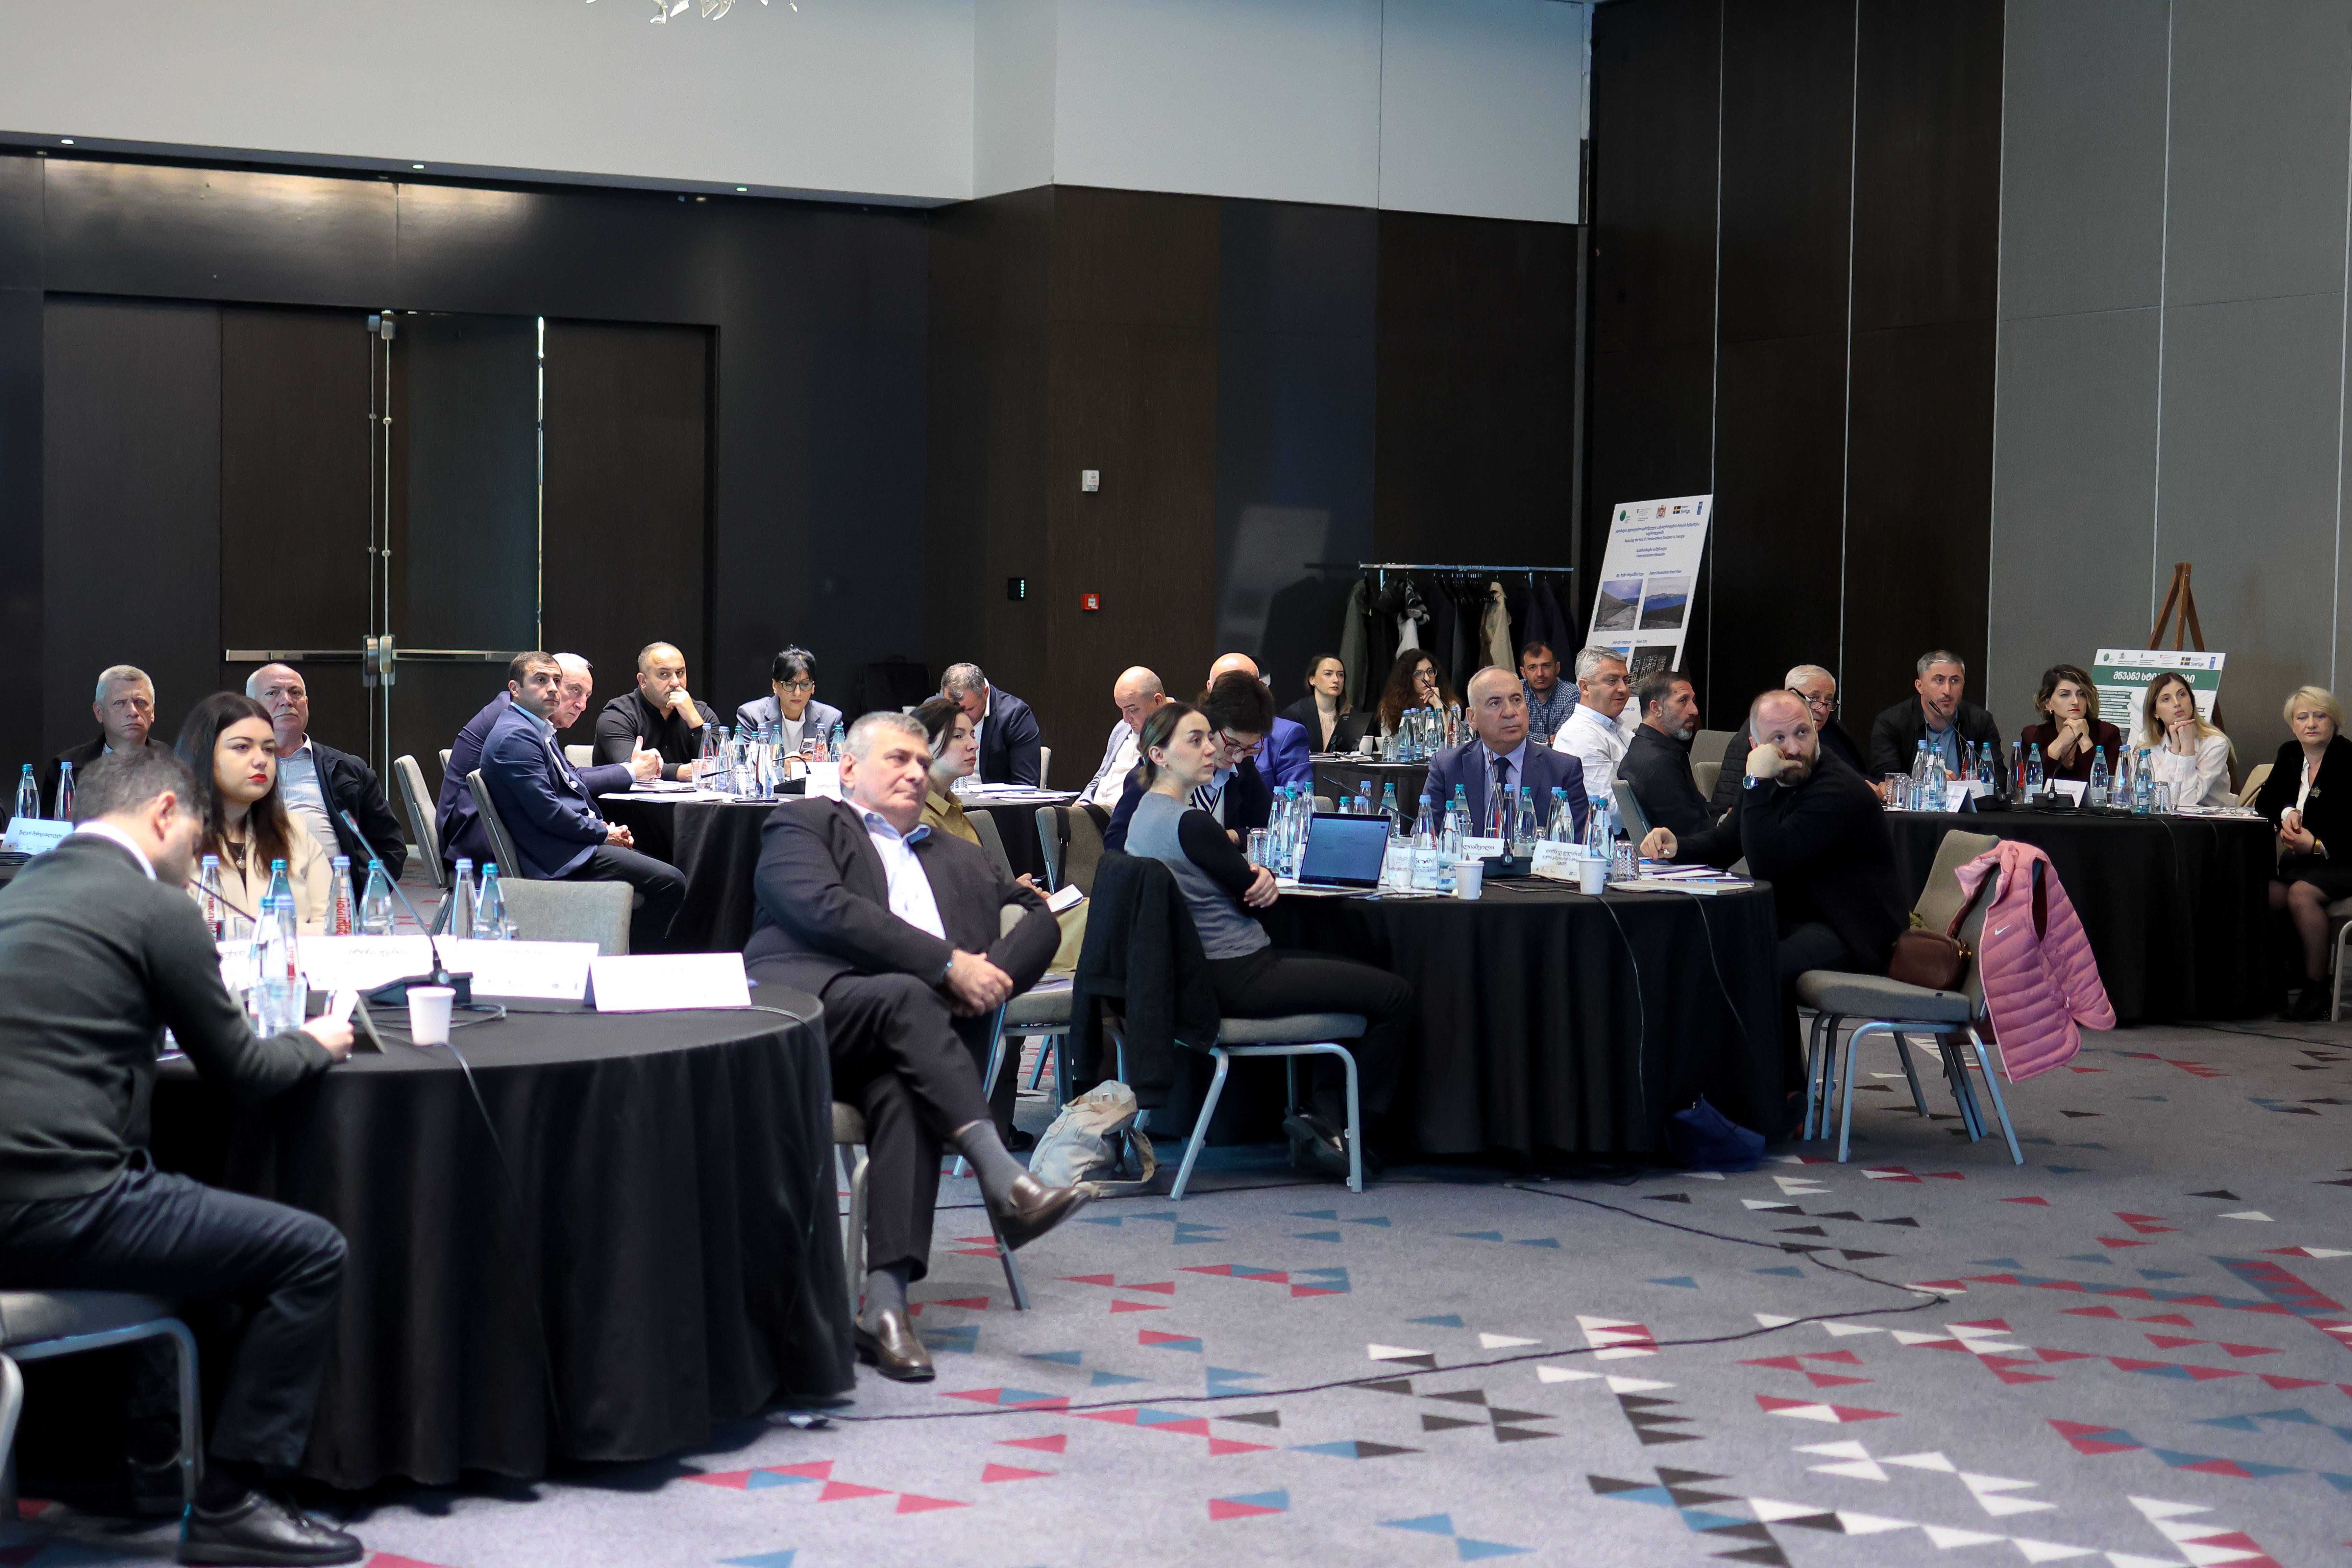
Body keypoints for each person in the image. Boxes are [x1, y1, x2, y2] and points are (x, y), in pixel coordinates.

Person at [0, 747, 364, 1567]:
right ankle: (236, 1501)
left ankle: (141, 1460)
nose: (197, 861)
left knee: (181, 1203)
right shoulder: (156, 908)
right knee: (309, 1251)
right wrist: (317, 1039)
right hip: (64, 1205)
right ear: (165, 812)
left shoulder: (17, 894)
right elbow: (246, 1072)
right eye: (197, 841)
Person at [744, 712, 1087, 1381]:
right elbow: (820, 907)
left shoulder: (960, 855)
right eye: (897, 758)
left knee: (906, 1090)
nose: (915, 772)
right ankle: (1002, 1176)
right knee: (908, 996)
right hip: (807, 1017)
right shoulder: (806, 823)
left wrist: (988, 980)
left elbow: (1039, 913)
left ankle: (886, 1307)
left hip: (915, 1040)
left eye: (923, 763)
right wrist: (946, 965)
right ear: (849, 769)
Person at [1123, 701, 1413, 1179]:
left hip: (1198, 974)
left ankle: (1325, 1110)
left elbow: (1237, 882)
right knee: (1394, 995)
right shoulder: (1192, 824)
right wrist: (1260, 876)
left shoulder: (1144, 816)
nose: (1210, 749)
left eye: (1208, 737)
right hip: (1237, 974)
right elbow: (1255, 898)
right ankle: (1347, 1126)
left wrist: (1254, 876)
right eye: (1195, 741)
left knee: (1339, 966)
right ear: (1159, 755)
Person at [1641, 688, 1905, 1085]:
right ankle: (1707, 1085)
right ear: (1756, 745)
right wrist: (1677, 847)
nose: (1794, 748)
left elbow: (1769, 865)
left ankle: (1779, 1094)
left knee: (1758, 965)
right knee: (1704, 945)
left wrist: (1755, 783)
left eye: (1802, 733)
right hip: (1802, 919)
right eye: (1778, 738)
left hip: (1855, 932)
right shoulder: (1772, 779)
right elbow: (1728, 841)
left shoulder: (1836, 789)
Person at [482, 653, 685, 953]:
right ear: (515, 689)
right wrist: (603, 833)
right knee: (671, 882)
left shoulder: (535, 728)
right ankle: (633, 966)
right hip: (559, 858)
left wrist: (600, 828)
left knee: (663, 860)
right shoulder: (516, 738)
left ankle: (620, 951)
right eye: (541, 680)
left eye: (557, 681)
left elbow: (569, 788)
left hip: (569, 844)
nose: (553, 688)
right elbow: (549, 813)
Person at [438, 655, 655, 869]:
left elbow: (569, 776)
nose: (582, 705)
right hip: (475, 834)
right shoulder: (517, 720)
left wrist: (629, 770)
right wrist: (631, 773)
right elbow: (555, 797)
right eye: (575, 690)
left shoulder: (533, 716)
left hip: (511, 821)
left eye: (587, 695)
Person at [176, 693, 333, 933]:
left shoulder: (294, 831)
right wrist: (287, 931)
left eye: (269, 749)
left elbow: (335, 929)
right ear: (204, 753)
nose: (261, 760)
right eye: (242, 747)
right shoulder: (171, 839)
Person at [245, 664, 407, 878]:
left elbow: (390, 847)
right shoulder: (233, 768)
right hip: (254, 888)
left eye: (296, 693)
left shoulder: (348, 770)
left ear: (306, 704)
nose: (287, 701)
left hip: (334, 891)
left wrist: (356, 887)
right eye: (272, 693)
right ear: (251, 707)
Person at [1104, 672, 1278, 853]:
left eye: (1249, 749)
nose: (1238, 757)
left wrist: (1233, 836)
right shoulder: (1160, 770)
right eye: (1232, 745)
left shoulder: (1242, 768)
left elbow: (1272, 830)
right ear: (1210, 726)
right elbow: (1116, 840)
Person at [2263, 686, 2352, 1019]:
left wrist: (2317, 845)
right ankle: (2276, 981)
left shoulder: (2348, 758)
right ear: (2293, 724)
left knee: (2301, 895)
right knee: (2264, 893)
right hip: (2304, 864)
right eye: (2302, 717)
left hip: (2344, 861)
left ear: (2334, 721)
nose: (2311, 724)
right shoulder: (2290, 753)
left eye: (2320, 716)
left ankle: (2317, 990)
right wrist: (2288, 812)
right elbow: (2267, 800)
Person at [1423, 667, 1589, 838]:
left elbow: (1580, 843)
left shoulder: (1564, 770)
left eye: (1516, 700)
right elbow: (1427, 838)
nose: (1510, 712)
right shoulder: (1447, 768)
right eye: (1495, 703)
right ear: (1472, 718)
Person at [1710, 665, 1866, 814]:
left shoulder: (1833, 731)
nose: (1823, 710)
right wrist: (1756, 784)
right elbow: (1728, 808)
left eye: (1829, 701)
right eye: (1813, 699)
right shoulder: (1754, 738)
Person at [43, 664, 174, 810]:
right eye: (119, 703)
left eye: (141, 702)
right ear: (99, 712)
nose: (133, 712)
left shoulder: (173, 763)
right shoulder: (63, 769)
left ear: (153, 712)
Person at [1867, 650, 2003, 783]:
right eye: (1939, 681)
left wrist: (1971, 785)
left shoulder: (1981, 721)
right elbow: (1887, 781)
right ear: (1920, 686)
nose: (1947, 691)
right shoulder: (1891, 723)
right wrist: (1931, 785)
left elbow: (1999, 777)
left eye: (1955, 681)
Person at [596, 642, 719, 781]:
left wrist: (695, 722)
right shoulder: (617, 715)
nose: (676, 682)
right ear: (643, 681)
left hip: (693, 796)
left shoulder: (702, 714)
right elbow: (631, 769)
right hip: (628, 796)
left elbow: (719, 768)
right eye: (664, 674)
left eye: (680, 673)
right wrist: (679, 773)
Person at [1619, 669, 1713, 837]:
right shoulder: (1658, 763)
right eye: (1683, 701)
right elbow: (1691, 833)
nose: (1695, 710)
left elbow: (1698, 810)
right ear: (1656, 709)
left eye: (1693, 701)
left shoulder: (1651, 749)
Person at [1209, 652, 1313, 786]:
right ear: (1211, 690)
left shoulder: (1284, 735)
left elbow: (1297, 795)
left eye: (1250, 748)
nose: (1238, 758)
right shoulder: (1194, 738)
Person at [1080, 667, 1169, 810]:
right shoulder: (1122, 728)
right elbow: (1101, 776)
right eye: (1122, 709)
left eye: (1132, 710)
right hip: (1095, 810)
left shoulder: (1180, 730)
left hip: (1128, 814)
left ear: (1158, 701)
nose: (1126, 719)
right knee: (1052, 814)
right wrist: (1084, 800)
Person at [2018, 663, 2124, 784]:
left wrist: (2085, 741)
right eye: (2065, 695)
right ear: (2048, 704)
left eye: (2081, 694)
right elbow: (2030, 784)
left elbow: (2107, 786)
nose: (2076, 701)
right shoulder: (2033, 736)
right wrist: (2059, 743)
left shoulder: (2108, 734)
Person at [2141, 669, 2233, 808]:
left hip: (2210, 819)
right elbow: (2156, 799)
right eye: (2166, 699)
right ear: (2155, 712)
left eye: (2182, 695)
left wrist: (2188, 748)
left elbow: (2185, 802)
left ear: (2192, 701)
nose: (2177, 703)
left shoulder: (2215, 743)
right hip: (2164, 818)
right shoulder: (2147, 742)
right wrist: (2175, 749)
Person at [941, 663, 1042, 787]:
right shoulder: (934, 712)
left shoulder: (1015, 716)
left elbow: (1025, 786)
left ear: (985, 692)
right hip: (944, 797)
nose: (961, 716)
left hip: (992, 799)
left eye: (970, 709)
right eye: (952, 709)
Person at [1553, 647, 1637, 797]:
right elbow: (1608, 804)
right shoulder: (1580, 736)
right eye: (1612, 681)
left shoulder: (1620, 731)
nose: (1623, 689)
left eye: (1626, 681)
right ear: (1585, 687)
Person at [734, 646, 843, 761]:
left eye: (805, 684)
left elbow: (839, 765)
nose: (797, 693)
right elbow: (742, 764)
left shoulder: (831, 719)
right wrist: (781, 766)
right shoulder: (752, 716)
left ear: (813, 688)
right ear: (775, 686)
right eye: (789, 685)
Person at [917, 695, 982, 846]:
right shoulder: (920, 819)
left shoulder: (951, 806)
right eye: (958, 736)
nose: (974, 745)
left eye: (972, 735)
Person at [1278, 654, 1364, 754]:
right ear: (1312, 680)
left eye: (1341, 675)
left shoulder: (1352, 715)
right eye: (1328, 674)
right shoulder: (1295, 715)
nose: (1336, 680)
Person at [1374, 650, 1460, 739]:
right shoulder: (1389, 709)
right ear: (1407, 679)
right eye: (1419, 674)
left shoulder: (1452, 707)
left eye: (1430, 672)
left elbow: (1451, 744)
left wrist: (1439, 707)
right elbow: (1388, 743)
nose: (1427, 679)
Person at [1519, 642, 1576, 741]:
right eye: (1533, 668)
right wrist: (1549, 740)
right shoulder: (1514, 692)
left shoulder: (1571, 694)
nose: (1540, 674)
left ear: (1557, 668)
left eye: (1546, 666)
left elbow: (1562, 739)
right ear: (1523, 672)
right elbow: (1509, 733)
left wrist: (1523, 737)